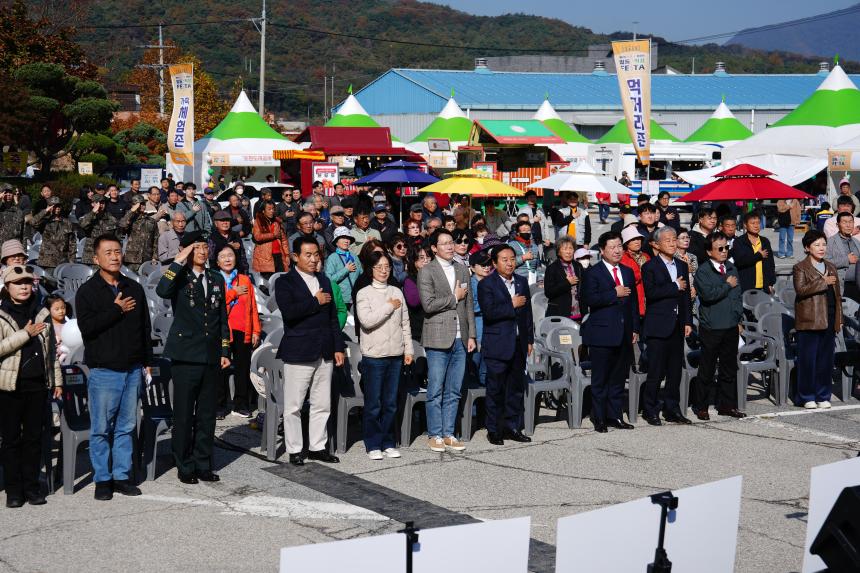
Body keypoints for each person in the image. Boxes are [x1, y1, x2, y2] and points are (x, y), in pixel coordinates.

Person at [76, 234, 152, 500]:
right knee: (101, 429)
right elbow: (87, 328)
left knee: (126, 426)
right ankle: (102, 479)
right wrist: (116, 309)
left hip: (132, 369)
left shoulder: (134, 287)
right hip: (104, 371)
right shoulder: (87, 291)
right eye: (108, 252)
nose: (114, 256)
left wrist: (147, 362)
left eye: (118, 251)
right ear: (96, 259)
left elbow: (145, 328)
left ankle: (121, 475)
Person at [156, 232, 231, 484]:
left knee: (207, 414)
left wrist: (224, 350)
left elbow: (221, 318)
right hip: (186, 354)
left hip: (210, 355)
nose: (201, 251)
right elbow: (162, 289)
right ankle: (184, 463)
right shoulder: (179, 276)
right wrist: (178, 260)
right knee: (185, 413)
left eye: (204, 247)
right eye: (196, 247)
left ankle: (203, 463)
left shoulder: (215, 277)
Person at [274, 237, 344, 466]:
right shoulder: (286, 282)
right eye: (308, 255)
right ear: (295, 257)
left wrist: (338, 347)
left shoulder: (323, 278)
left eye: (316, 254)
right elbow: (289, 313)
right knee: (294, 405)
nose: (314, 259)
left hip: (324, 349)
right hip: (299, 349)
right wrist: (315, 302)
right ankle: (295, 448)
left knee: (322, 403)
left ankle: (317, 446)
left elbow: (333, 317)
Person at [0, 265, 62, 508]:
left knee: (34, 439)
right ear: (7, 288)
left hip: (37, 385)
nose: (24, 286)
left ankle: (32, 487)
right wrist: (25, 334)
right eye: (18, 283)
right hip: (9, 388)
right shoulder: (2, 314)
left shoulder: (42, 312)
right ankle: (14, 491)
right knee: (12, 440)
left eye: (27, 282)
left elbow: (51, 354)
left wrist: (56, 380)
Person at [418, 229, 476, 452]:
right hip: (438, 336)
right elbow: (428, 304)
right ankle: (434, 434)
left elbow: (469, 304)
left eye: (451, 242)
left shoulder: (462, 269)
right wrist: (453, 298)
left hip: (461, 336)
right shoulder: (427, 271)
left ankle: (449, 432)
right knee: (435, 388)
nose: (450, 246)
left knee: (454, 389)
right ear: (434, 248)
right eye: (444, 243)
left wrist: (472, 334)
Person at [355, 251, 413, 460]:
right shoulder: (364, 293)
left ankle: (388, 441)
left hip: (395, 354)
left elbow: (405, 323)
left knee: (390, 402)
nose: (383, 270)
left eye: (387, 266)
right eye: (379, 266)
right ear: (371, 269)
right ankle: (373, 443)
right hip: (374, 356)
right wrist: (389, 306)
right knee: (374, 403)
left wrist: (409, 350)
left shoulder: (397, 291)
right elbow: (367, 320)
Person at [581, 231, 639, 433]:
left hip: (624, 332)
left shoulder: (628, 271)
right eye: (612, 247)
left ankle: (615, 415)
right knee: (600, 379)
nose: (617, 250)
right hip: (602, 333)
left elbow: (632, 303)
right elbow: (589, 299)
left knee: (617, 378)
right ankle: (599, 417)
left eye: (620, 246)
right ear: (602, 250)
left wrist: (634, 329)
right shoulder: (592, 273)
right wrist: (613, 293)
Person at [478, 244, 534, 445]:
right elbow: (490, 313)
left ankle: (512, 427)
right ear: (494, 263)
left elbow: (527, 314)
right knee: (496, 390)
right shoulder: (486, 284)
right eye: (504, 259)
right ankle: (494, 429)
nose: (510, 263)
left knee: (515, 389)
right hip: (498, 344)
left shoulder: (521, 281)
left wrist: (529, 339)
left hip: (519, 343)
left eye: (512, 259)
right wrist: (511, 304)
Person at [641, 227, 693, 426]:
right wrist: (674, 286)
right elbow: (651, 293)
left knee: (675, 371)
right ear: (657, 244)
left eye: (674, 240)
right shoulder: (650, 267)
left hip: (677, 325)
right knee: (656, 371)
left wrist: (687, 320)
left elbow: (686, 296)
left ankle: (672, 408)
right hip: (658, 325)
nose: (672, 243)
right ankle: (650, 409)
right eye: (668, 240)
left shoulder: (681, 265)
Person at [692, 232, 746, 420]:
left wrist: (738, 319)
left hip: (730, 326)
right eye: (720, 249)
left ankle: (727, 405)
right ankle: (702, 406)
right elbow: (708, 295)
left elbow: (738, 295)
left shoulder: (731, 268)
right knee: (707, 369)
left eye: (726, 248)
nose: (724, 252)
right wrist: (727, 285)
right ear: (709, 251)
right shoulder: (703, 271)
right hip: (712, 327)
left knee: (729, 368)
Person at [793, 230, 843, 409]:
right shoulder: (800, 267)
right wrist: (823, 282)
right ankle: (806, 396)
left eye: (823, 244)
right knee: (808, 360)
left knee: (825, 361)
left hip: (829, 317)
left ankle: (823, 395)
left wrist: (839, 317)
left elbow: (837, 295)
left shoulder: (831, 266)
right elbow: (801, 290)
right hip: (809, 319)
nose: (821, 248)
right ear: (807, 248)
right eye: (816, 245)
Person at [215, 246, 261, 419]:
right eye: (223, 256)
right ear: (217, 261)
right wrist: (233, 293)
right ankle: (219, 406)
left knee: (242, 369)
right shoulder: (214, 279)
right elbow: (214, 305)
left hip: (242, 328)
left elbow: (253, 308)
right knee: (220, 369)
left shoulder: (244, 279)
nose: (227, 259)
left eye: (230, 255)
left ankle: (240, 404)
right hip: (221, 330)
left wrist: (256, 330)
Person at [732, 211, 776, 294]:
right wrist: (758, 255)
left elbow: (771, 264)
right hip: (747, 287)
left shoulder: (765, 241)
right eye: (753, 223)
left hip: (764, 287)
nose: (756, 226)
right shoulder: (739, 242)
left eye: (758, 223)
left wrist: (771, 283)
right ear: (745, 225)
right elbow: (740, 262)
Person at [31, 197, 75, 277]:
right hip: (48, 261)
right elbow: (33, 222)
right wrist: (45, 211)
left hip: (63, 261)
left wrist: (71, 261)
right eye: (53, 206)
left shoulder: (67, 223)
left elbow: (72, 243)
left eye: (58, 206)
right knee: (49, 285)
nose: (56, 208)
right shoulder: (44, 221)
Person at [544, 236, 584, 321]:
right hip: (560, 313)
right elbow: (549, 292)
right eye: (565, 249)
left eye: (571, 248)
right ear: (558, 252)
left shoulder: (578, 266)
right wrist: (567, 283)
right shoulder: (552, 268)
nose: (568, 252)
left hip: (579, 313)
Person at [119, 194, 160, 273]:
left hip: (146, 258)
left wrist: (155, 257)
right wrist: (132, 211)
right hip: (131, 259)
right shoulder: (130, 219)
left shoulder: (151, 221)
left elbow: (156, 239)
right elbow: (122, 225)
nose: (142, 206)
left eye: (143, 204)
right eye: (139, 204)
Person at [469, 249, 492, 387]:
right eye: (482, 265)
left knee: (486, 370)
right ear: (472, 267)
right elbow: (471, 306)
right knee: (474, 366)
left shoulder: (491, 282)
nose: (486, 267)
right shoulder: (471, 283)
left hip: (489, 330)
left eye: (488, 264)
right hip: (477, 330)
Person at [324, 227, 362, 309]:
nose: (346, 240)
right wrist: (346, 270)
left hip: (357, 298)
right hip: (341, 300)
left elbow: (361, 275)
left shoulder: (354, 257)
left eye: (348, 238)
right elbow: (329, 280)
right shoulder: (332, 258)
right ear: (336, 242)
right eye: (343, 238)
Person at [252, 200, 290, 281]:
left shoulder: (277, 222)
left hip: (279, 255)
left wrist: (287, 255)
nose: (272, 211)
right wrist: (273, 235)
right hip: (265, 256)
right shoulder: (258, 221)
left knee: (281, 279)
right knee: (269, 282)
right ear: (263, 211)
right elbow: (257, 237)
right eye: (269, 209)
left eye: (273, 209)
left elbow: (284, 240)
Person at [825, 211, 860, 298]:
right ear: (838, 225)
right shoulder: (829, 242)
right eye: (844, 222)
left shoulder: (857, 242)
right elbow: (824, 263)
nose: (848, 225)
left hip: (857, 285)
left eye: (850, 222)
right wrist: (846, 260)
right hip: (841, 285)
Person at [79, 194, 119, 267]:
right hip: (92, 256)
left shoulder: (111, 219)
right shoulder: (87, 217)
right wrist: (93, 212)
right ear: (92, 204)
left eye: (102, 203)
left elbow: (117, 238)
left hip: (107, 257)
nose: (100, 205)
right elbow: (83, 225)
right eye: (98, 203)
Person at [403, 245, 431, 342]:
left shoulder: (436, 276)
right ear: (414, 261)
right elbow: (414, 301)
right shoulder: (410, 280)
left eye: (428, 257)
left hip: (437, 327)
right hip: (419, 330)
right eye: (421, 258)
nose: (426, 260)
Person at [620, 226, 649, 319]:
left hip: (649, 299)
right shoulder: (622, 258)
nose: (637, 241)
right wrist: (643, 273)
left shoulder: (646, 256)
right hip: (633, 299)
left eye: (638, 239)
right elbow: (627, 280)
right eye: (633, 239)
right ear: (626, 243)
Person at [209, 210, 249, 275]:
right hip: (219, 274)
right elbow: (211, 258)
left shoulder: (235, 235)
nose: (225, 223)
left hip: (237, 273)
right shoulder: (212, 237)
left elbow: (243, 257)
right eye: (222, 221)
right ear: (216, 223)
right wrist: (228, 246)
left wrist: (245, 273)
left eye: (227, 220)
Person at [508, 219, 541, 284]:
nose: (527, 232)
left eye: (528, 230)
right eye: (523, 230)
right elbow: (508, 264)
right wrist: (523, 258)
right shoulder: (511, 245)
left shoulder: (534, 246)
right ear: (518, 233)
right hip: (518, 280)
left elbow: (538, 266)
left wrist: (540, 280)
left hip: (533, 281)